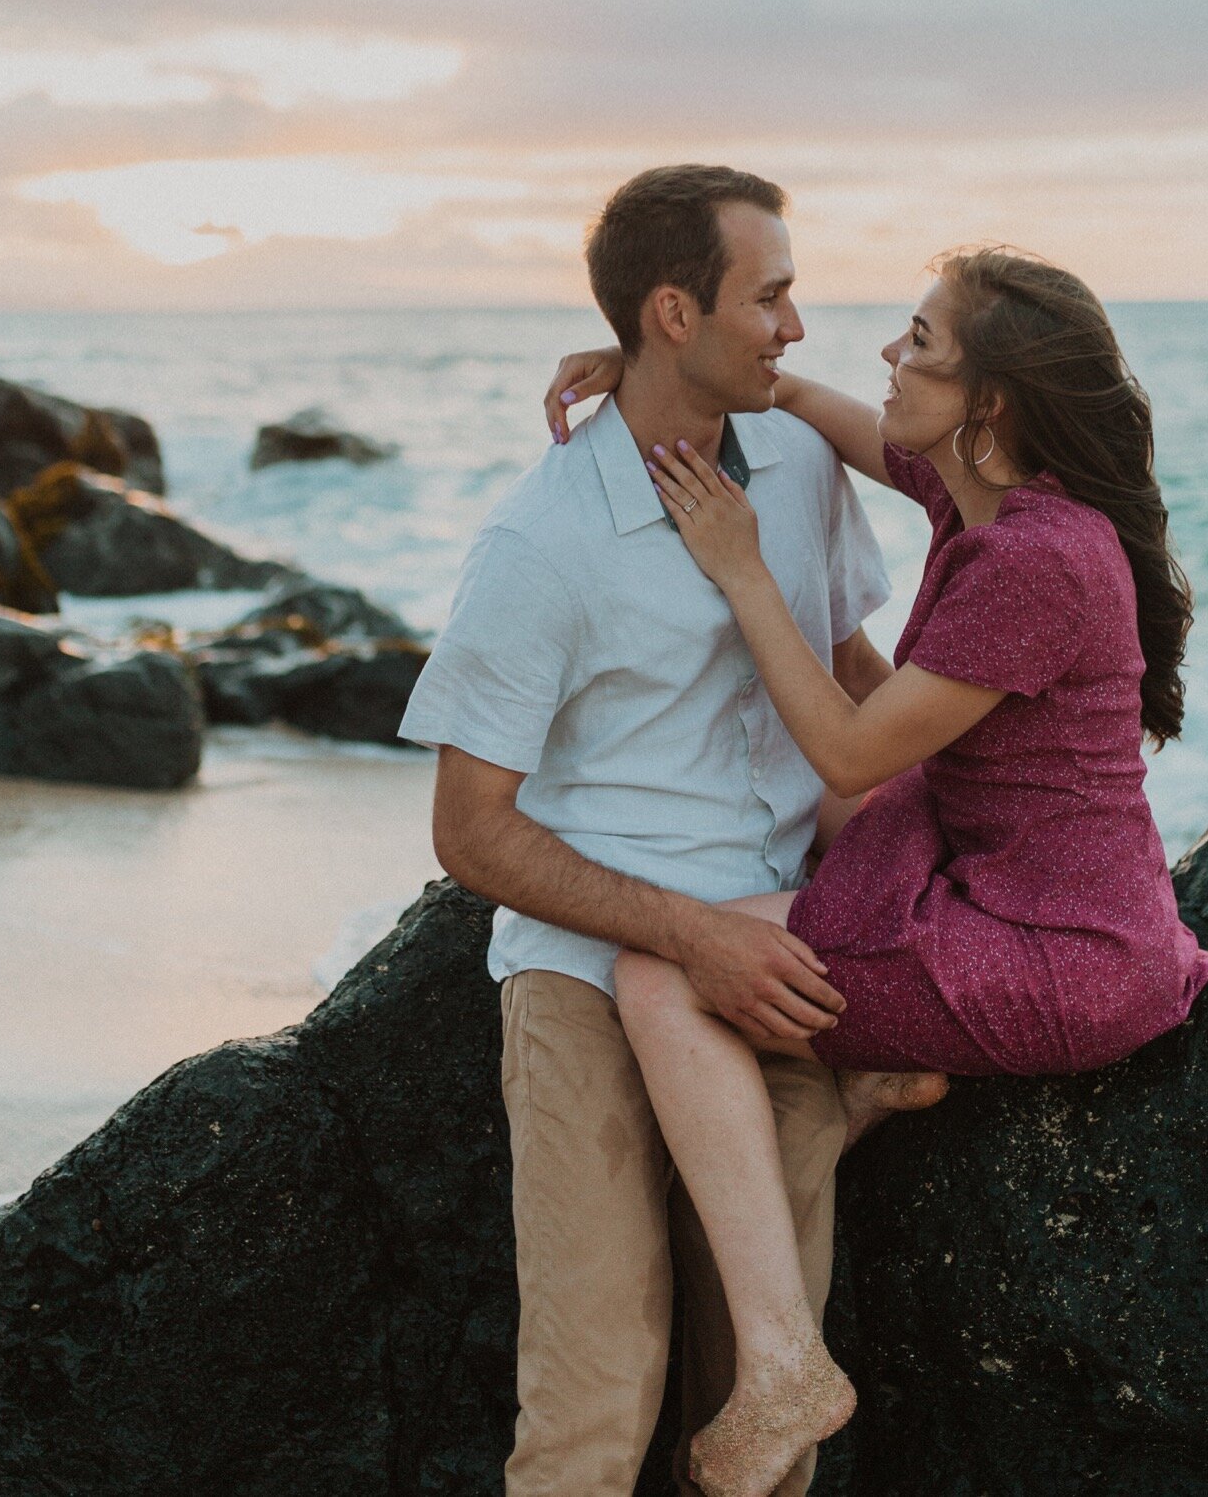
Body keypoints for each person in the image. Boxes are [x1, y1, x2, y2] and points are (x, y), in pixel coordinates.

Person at [544, 247, 1208, 1497]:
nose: (886, 357)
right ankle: (896, 1063)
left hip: (1057, 955)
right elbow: (844, 422)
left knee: (662, 971)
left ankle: (784, 1360)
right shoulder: (1006, 489)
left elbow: (849, 740)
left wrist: (743, 567)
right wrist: (654, 376)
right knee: (833, 825)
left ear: (990, 404)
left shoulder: (1033, 563)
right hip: (1031, 878)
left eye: (918, 343)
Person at [398, 165, 943, 1497]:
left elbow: (849, 667)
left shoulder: (805, 456)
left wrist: (980, 865)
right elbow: (469, 833)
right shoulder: (542, 540)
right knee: (594, 1402)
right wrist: (686, 934)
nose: (798, 327)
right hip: (595, 967)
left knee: (767, 1399)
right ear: (670, 313)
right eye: (770, 297)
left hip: (779, 950)